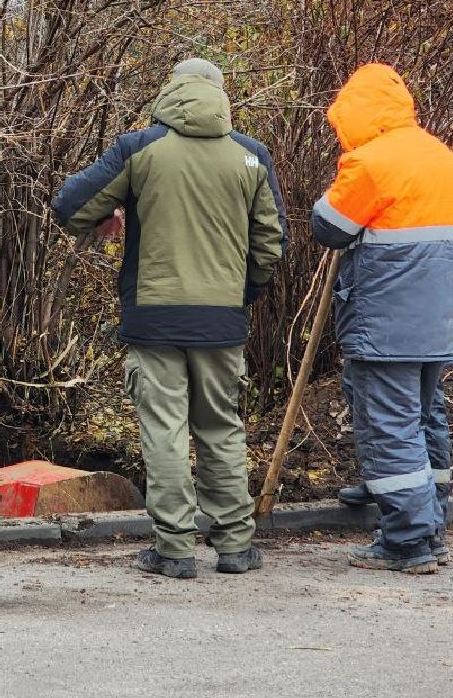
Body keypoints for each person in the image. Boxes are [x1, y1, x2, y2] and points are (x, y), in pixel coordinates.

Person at [52, 58, 286, 578]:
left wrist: (115, 213)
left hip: (154, 319)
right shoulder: (251, 156)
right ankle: (235, 547)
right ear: (222, 96)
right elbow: (271, 244)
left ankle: (174, 551)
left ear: (171, 92)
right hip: (221, 320)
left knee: (165, 432)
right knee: (222, 429)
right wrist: (239, 296)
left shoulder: (139, 149)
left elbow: (70, 206)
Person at [310, 63, 453, 575]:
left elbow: (329, 226)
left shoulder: (371, 162)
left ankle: (407, 539)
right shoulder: (440, 155)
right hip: (436, 322)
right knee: (425, 419)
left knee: (390, 427)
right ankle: (431, 526)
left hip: (385, 324)